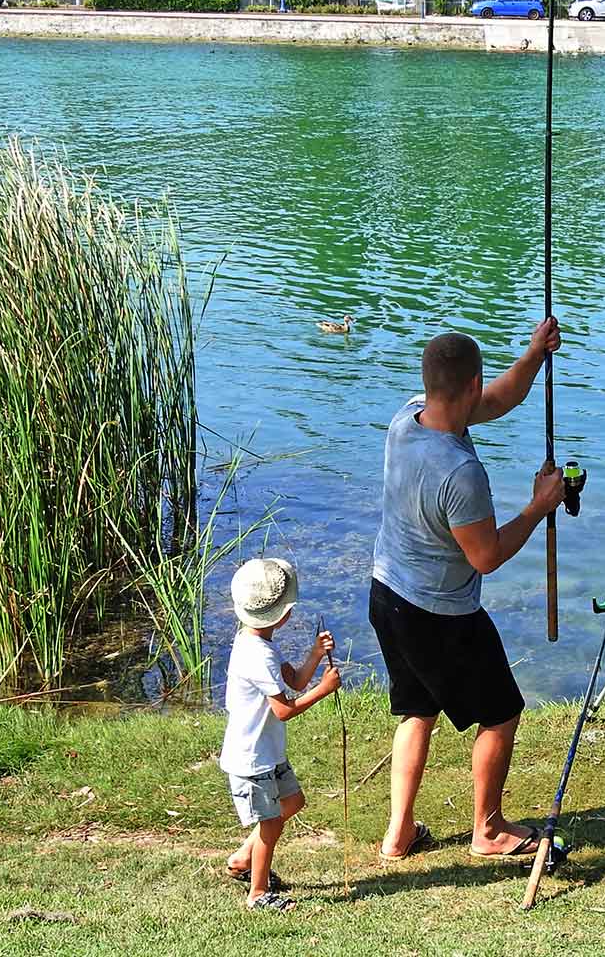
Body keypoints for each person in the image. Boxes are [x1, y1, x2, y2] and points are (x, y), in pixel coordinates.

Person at [369, 319, 565, 861]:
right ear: (470, 383)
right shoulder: (459, 472)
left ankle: (398, 832)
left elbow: (498, 399)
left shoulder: (409, 416)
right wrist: (537, 507)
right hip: (439, 613)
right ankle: (488, 828)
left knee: (418, 709)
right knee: (501, 710)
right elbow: (487, 556)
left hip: (386, 593)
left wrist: (532, 357)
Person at [219, 557, 341, 911]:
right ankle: (257, 893)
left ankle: (243, 858)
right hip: (252, 759)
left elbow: (295, 681)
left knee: (292, 802)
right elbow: (284, 710)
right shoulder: (259, 656)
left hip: (267, 752)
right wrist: (323, 690)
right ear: (283, 614)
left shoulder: (259, 642)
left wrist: (316, 655)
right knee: (271, 823)